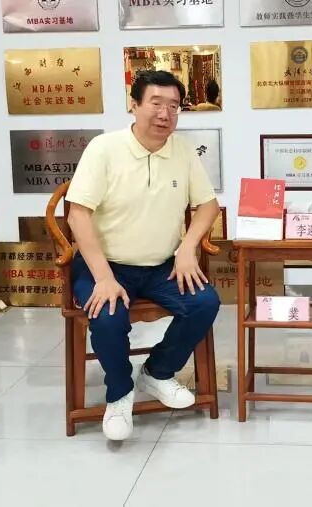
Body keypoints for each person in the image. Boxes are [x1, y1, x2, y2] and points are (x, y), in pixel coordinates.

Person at [66, 70, 222, 441]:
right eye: (155, 103)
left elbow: (208, 206)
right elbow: (77, 214)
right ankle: (119, 393)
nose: (165, 114)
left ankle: (157, 372)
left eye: (174, 106)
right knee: (107, 318)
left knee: (205, 303)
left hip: (162, 265)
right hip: (105, 264)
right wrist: (104, 277)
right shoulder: (104, 149)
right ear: (134, 105)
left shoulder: (182, 151)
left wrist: (187, 249)